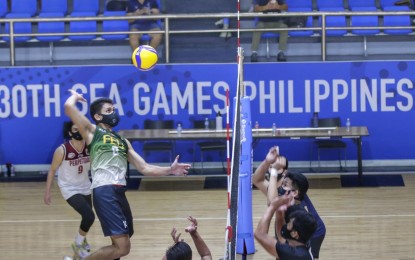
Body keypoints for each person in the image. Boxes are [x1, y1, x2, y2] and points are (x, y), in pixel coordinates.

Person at [64, 89, 191, 260]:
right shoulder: (93, 132)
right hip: (105, 190)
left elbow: (144, 167)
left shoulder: (123, 141)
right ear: (98, 117)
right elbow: (68, 107)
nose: (113, 113)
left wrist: (170, 170)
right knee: (123, 247)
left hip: (119, 191)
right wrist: (75, 97)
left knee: (127, 234)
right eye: (108, 111)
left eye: (114, 110)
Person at [253, 146, 326, 259]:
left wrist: (273, 172)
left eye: (278, 166)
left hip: (314, 232)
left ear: (284, 171)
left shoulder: (289, 198)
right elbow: (257, 180)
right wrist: (267, 161)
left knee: (296, 254)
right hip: (296, 229)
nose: (274, 167)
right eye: (272, 166)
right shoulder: (281, 188)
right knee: (282, 250)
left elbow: (272, 203)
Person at [44, 121, 95, 259]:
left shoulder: (89, 147)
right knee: (89, 216)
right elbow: (52, 170)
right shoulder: (62, 150)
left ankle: (77, 252)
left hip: (85, 186)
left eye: (81, 129)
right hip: (69, 188)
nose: (78, 131)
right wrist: (47, 192)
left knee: (87, 220)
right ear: (70, 132)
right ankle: (78, 244)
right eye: (75, 129)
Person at [254, 194, 317, 259]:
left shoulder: (295, 255)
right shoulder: (299, 243)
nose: (286, 225)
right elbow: (281, 237)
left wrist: (272, 206)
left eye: (289, 223)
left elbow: (259, 234)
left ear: (294, 233)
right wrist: (279, 210)